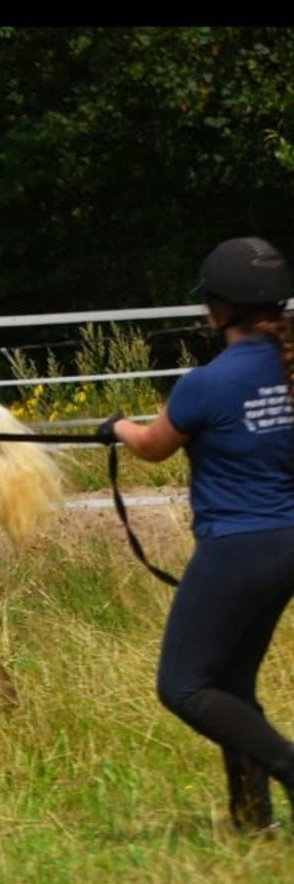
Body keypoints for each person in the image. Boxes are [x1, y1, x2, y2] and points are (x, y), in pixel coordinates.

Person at [96, 235, 294, 835]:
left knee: (183, 686)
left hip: (236, 547)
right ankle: (251, 819)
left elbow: (153, 448)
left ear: (217, 307)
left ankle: (288, 767)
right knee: (230, 682)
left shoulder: (206, 383)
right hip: (287, 545)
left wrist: (117, 427)